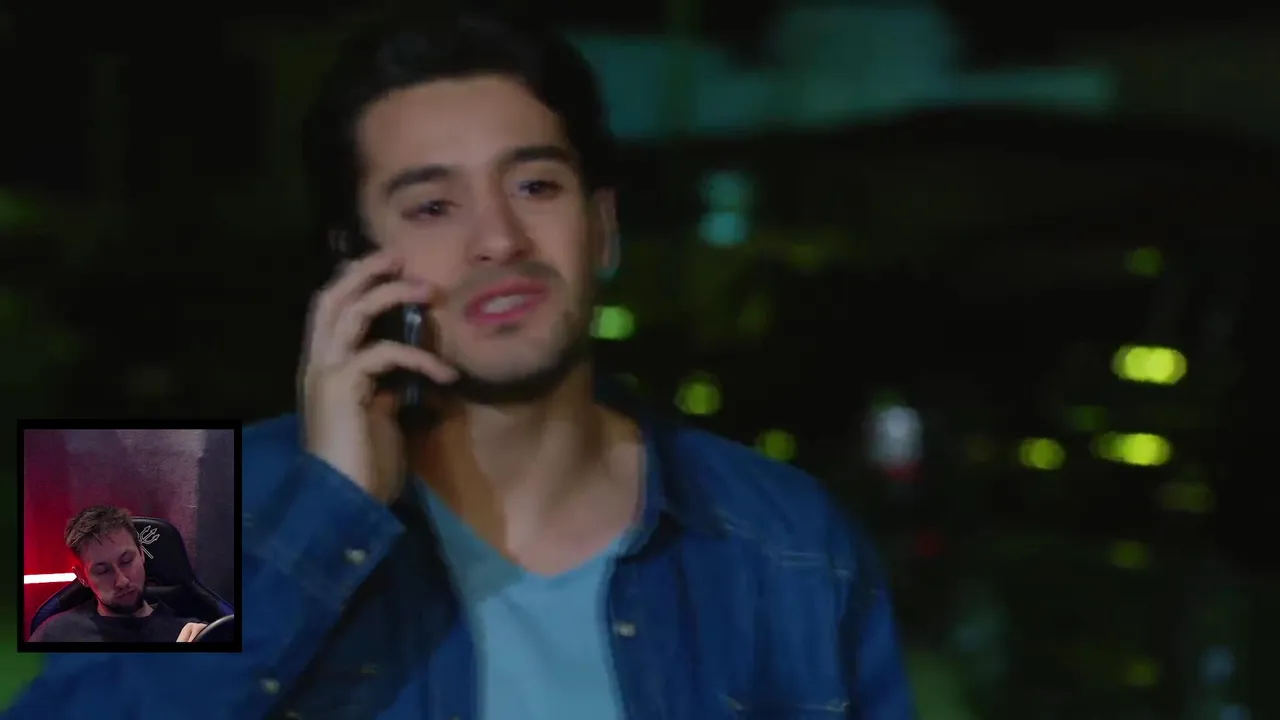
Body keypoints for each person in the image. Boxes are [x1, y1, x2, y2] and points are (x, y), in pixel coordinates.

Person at [6, 9, 914, 718]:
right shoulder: (142, 492)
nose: (498, 238)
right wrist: (329, 507)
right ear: (353, 259)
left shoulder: (791, 532)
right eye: (432, 206)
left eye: (535, 185)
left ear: (602, 226)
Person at [27, 505, 207, 643]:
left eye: (126, 561)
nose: (122, 581)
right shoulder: (55, 634)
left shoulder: (189, 633)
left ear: (141, 553)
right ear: (82, 577)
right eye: (103, 570)